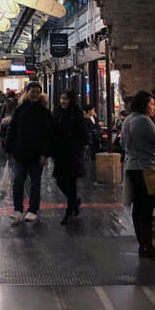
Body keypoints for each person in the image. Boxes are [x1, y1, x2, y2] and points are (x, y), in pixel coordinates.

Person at [121, 91, 155, 257]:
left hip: (132, 166)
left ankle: (143, 244)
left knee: (139, 207)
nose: (154, 107)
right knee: (146, 209)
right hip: (146, 167)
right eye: (151, 104)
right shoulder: (144, 120)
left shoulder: (128, 120)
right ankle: (147, 245)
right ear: (144, 104)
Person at [4, 81, 52, 222]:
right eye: (32, 91)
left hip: (37, 155)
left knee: (35, 184)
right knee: (18, 182)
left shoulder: (44, 112)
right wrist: (8, 148)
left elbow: (48, 135)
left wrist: (45, 153)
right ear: (27, 92)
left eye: (38, 92)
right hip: (20, 153)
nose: (35, 94)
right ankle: (18, 209)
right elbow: (12, 130)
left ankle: (33, 209)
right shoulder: (20, 110)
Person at [51, 89, 88, 224]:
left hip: (72, 153)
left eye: (65, 99)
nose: (63, 101)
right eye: (61, 98)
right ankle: (74, 202)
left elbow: (83, 134)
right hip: (60, 153)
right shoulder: (57, 113)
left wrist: (77, 146)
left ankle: (69, 211)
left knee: (71, 183)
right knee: (60, 181)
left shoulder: (77, 114)